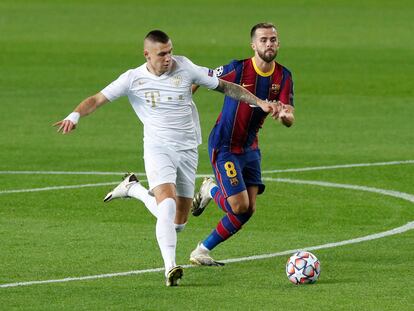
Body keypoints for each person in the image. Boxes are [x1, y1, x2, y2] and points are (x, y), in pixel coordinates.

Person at [54, 30, 279, 286]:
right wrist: (75, 115)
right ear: (147, 54)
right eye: (162, 54)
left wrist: (258, 102)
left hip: (187, 150)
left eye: (170, 51)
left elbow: (226, 87)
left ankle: (134, 189)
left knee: (177, 223)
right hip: (157, 148)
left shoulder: (185, 67)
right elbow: (96, 99)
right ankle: (170, 267)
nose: (168, 58)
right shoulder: (132, 79)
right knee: (168, 205)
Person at [189, 23, 294, 266]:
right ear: (253, 45)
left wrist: (285, 117)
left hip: (250, 148)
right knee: (238, 205)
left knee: (248, 210)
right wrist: (183, 103)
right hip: (225, 145)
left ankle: (201, 251)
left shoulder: (284, 76)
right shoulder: (238, 69)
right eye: (264, 40)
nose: (269, 44)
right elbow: (201, 78)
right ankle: (210, 190)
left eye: (273, 39)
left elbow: (289, 115)